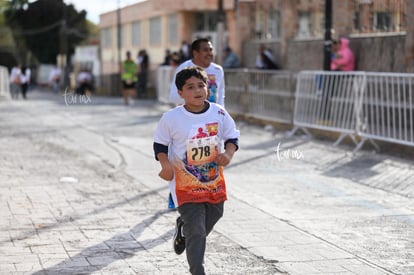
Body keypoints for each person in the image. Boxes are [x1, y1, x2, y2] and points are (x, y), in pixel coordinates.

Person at [153, 66, 239, 275]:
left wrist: (227, 155)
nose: (198, 90)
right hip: (185, 183)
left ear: (208, 88)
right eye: (190, 87)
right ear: (180, 93)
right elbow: (160, 145)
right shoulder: (171, 118)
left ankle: (185, 228)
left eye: (201, 85)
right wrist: (165, 165)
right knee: (198, 230)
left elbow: (232, 137)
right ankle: (197, 270)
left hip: (213, 180)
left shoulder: (218, 112)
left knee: (215, 214)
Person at [169, 38, 226, 107]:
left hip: (212, 116)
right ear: (195, 53)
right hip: (189, 115)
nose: (210, 53)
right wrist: (198, 98)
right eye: (205, 50)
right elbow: (173, 96)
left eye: (211, 50)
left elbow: (220, 95)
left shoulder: (218, 70)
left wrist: (221, 113)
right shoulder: (184, 68)